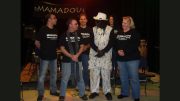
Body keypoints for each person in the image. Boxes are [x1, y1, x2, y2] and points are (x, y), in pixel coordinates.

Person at [59, 18, 88, 101]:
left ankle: (82, 94)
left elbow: (82, 46)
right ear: (70, 25)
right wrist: (71, 56)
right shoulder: (63, 35)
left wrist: (77, 55)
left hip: (78, 60)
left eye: (76, 24)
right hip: (67, 61)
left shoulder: (79, 34)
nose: (77, 25)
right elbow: (62, 48)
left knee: (80, 77)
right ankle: (62, 95)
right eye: (75, 24)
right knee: (65, 78)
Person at [114, 16, 141, 101]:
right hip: (121, 59)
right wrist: (118, 50)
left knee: (134, 78)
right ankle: (125, 93)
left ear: (130, 23)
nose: (123, 24)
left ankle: (136, 96)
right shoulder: (119, 32)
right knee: (123, 77)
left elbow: (134, 45)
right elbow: (115, 44)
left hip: (132, 59)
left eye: (125, 23)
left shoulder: (134, 33)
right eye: (122, 22)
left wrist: (124, 51)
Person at [88, 12, 114, 100]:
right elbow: (91, 41)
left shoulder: (110, 29)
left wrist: (103, 51)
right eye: (96, 21)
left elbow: (111, 42)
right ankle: (94, 91)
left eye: (98, 21)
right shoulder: (93, 29)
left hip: (105, 55)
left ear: (103, 21)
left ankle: (107, 92)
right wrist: (97, 50)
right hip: (95, 55)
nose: (96, 23)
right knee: (94, 74)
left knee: (106, 74)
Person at [35, 13, 59, 101]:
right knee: (42, 76)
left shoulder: (56, 30)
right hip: (44, 57)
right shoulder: (43, 29)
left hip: (53, 57)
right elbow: (37, 42)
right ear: (49, 20)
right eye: (54, 18)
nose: (56, 19)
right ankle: (40, 94)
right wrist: (43, 51)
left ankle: (53, 91)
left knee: (54, 75)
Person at [78, 13, 93, 90]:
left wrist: (86, 47)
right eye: (81, 19)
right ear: (79, 20)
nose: (83, 20)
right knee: (78, 69)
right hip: (78, 53)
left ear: (86, 20)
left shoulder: (90, 30)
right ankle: (79, 85)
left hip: (86, 53)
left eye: (84, 19)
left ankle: (86, 84)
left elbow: (92, 41)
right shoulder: (76, 29)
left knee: (86, 70)